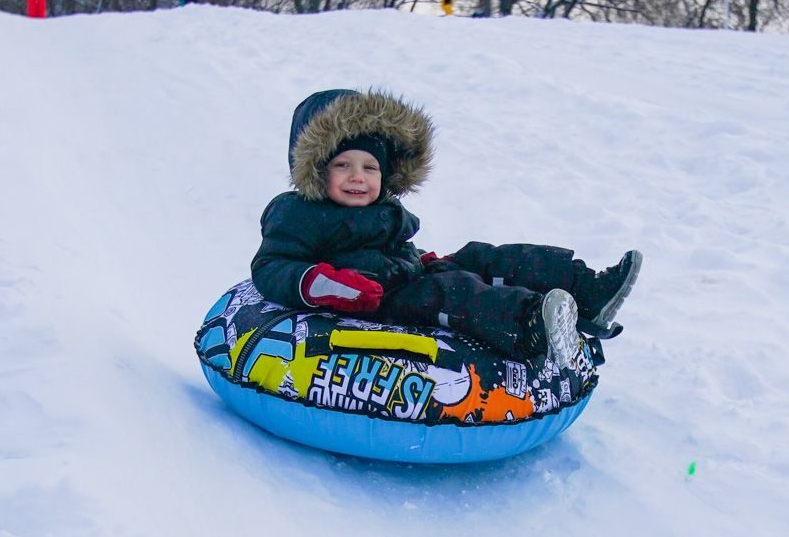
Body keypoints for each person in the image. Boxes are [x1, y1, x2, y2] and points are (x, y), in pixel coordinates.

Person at [251, 89, 642, 368]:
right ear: (316, 168)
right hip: (373, 302)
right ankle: (532, 325)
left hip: (405, 276)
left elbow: (395, 248)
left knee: (480, 257)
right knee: (450, 291)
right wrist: (321, 283)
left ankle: (588, 292)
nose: (358, 178)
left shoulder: (386, 208)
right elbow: (270, 266)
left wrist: (418, 259)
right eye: (343, 166)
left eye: (370, 168)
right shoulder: (298, 212)